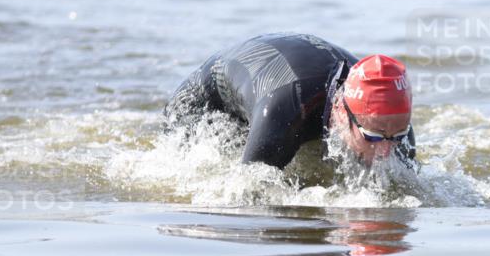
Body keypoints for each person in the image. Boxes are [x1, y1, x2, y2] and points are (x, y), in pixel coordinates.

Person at [164, 32, 415, 169]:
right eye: (372, 136)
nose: (386, 149)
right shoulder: (285, 111)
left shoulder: (388, 120)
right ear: (340, 111)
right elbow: (248, 195)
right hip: (202, 101)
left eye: (398, 134)